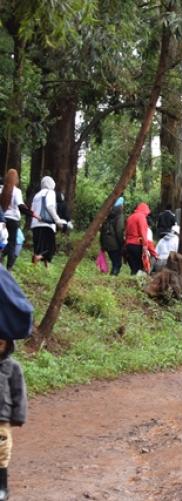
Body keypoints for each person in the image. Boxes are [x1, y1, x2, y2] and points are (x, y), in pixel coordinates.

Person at [0, 267, 30, 501]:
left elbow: (18, 393)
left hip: (1, 418)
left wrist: (18, 415)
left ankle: (2, 486)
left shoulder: (11, 367)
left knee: (1, 452)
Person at [30, 176, 71, 266]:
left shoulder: (37, 195)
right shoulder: (50, 192)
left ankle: (39, 267)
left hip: (35, 224)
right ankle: (37, 259)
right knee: (50, 248)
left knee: (39, 247)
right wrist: (57, 220)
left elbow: (32, 210)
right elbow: (50, 206)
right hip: (46, 224)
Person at [0, 169, 34, 271]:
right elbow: (20, 206)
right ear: (16, 179)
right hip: (13, 220)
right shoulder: (17, 191)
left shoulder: (1, 190)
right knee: (12, 243)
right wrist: (31, 214)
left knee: (4, 240)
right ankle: (9, 267)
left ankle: (1, 257)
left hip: (2, 219)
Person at [124, 202, 157, 275]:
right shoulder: (141, 217)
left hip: (128, 245)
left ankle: (132, 283)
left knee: (133, 268)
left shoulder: (130, 217)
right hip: (137, 245)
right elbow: (143, 233)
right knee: (140, 268)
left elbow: (126, 232)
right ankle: (139, 284)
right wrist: (145, 246)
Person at [100, 197, 125, 276]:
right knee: (117, 263)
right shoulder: (120, 215)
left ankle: (112, 276)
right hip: (115, 244)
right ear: (121, 205)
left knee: (114, 262)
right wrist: (122, 243)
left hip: (106, 242)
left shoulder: (108, 214)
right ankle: (112, 278)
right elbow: (119, 230)